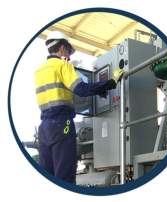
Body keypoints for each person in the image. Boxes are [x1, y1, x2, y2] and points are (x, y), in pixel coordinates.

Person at [35, 31, 125, 184]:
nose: (68, 56)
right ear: (63, 48)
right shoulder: (63, 65)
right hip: (61, 125)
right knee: (65, 178)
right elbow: (81, 89)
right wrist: (111, 82)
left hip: (44, 129)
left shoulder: (39, 71)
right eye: (68, 52)